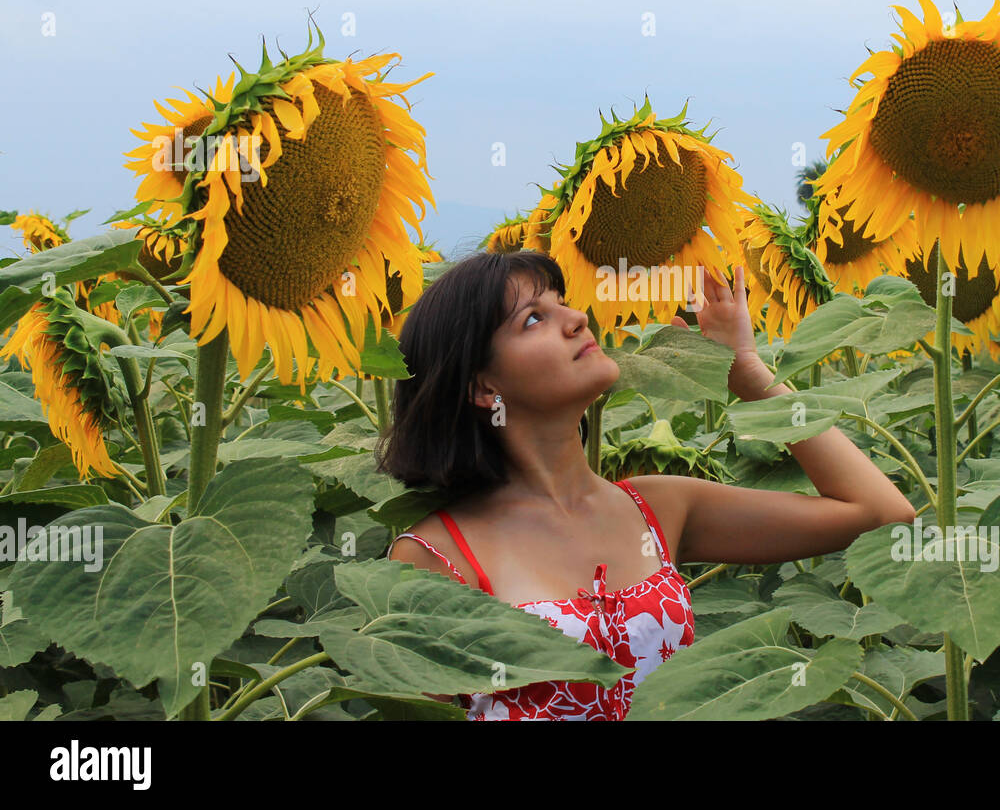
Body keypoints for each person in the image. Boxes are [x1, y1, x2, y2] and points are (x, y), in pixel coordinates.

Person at [377, 249, 915, 719]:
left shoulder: (657, 507)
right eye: (534, 319)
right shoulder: (434, 558)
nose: (577, 318)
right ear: (483, 386)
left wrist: (749, 372)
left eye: (564, 301)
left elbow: (880, 512)